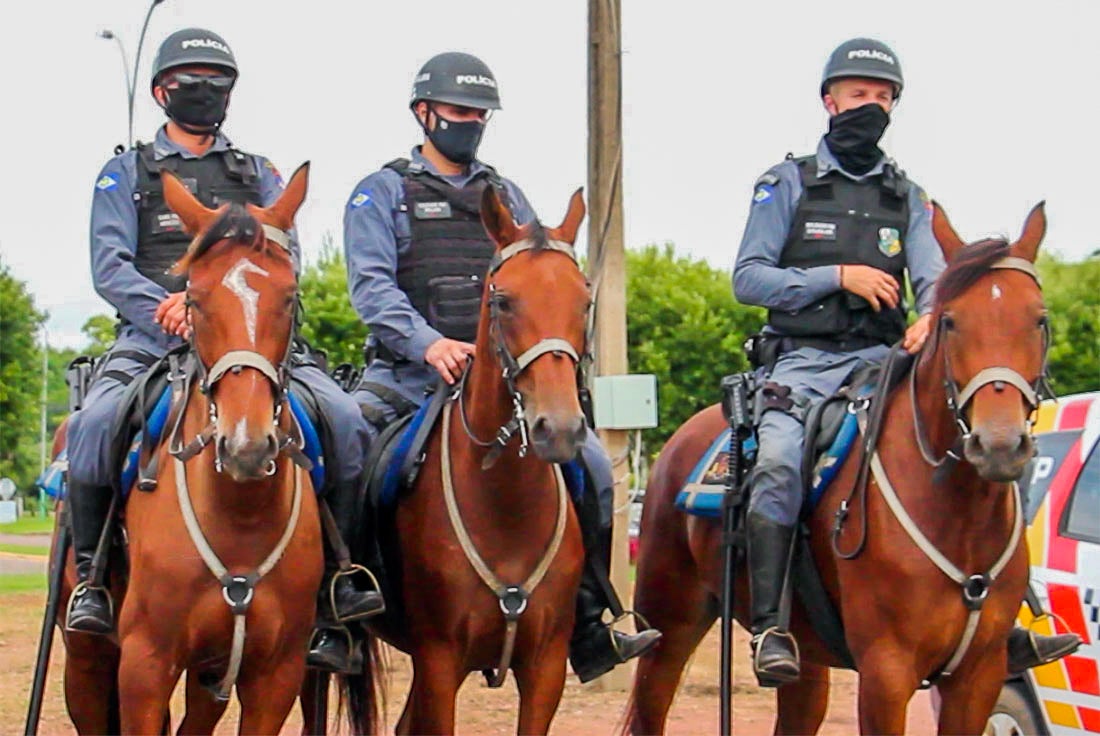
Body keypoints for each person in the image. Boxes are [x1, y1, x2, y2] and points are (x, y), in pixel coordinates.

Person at [732, 37, 1081, 686]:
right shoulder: (786, 183)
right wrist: (839, 275)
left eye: (883, 96)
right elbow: (748, 279)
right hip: (801, 365)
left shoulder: (908, 196)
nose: (871, 105)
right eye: (858, 94)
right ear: (830, 101)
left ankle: (1007, 616)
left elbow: (932, 279)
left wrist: (930, 313)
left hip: (881, 363)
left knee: (981, 445)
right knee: (777, 464)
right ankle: (771, 626)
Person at [335, 50, 661, 682]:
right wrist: (429, 343)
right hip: (408, 376)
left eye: (479, 114)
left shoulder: (507, 195)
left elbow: (537, 280)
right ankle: (343, 597)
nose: (470, 123)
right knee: (347, 436)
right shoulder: (382, 192)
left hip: (501, 382)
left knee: (593, 464)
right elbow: (371, 288)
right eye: (458, 111)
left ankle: (589, 614)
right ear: (423, 112)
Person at [66, 28, 382, 643]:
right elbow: (109, 266)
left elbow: (283, 255)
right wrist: (167, 305)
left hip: (253, 343)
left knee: (346, 420)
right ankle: (93, 579)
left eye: (218, 82)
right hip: (153, 338)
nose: (205, 91)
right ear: (161, 91)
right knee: (93, 426)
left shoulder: (260, 173)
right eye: (192, 81)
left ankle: (339, 580)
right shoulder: (126, 172)